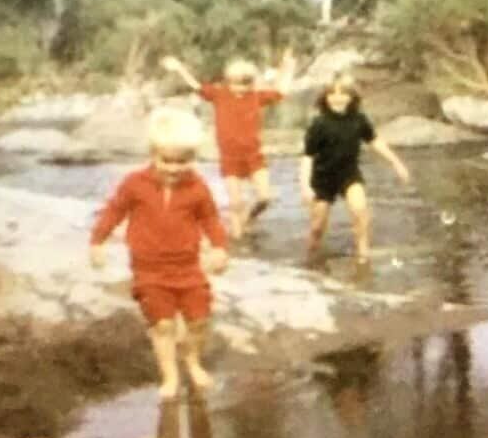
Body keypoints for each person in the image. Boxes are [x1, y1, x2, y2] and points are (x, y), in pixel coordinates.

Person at [89, 107, 228, 400]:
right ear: (153, 153)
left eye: (183, 161)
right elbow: (114, 210)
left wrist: (219, 247)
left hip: (188, 267)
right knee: (163, 324)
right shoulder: (134, 184)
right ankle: (170, 375)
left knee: (199, 320)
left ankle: (192, 361)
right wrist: (98, 241)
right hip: (148, 269)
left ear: (193, 158)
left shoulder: (197, 186)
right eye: (167, 160)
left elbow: (210, 219)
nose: (175, 168)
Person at [162, 50, 296, 240]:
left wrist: (287, 67)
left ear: (251, 83)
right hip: (230, 158)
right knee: (235, 203)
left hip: (254, 156)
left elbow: (282, 91)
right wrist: (179, 68)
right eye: (235, 83)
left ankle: (249, 218)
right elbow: (196, 86)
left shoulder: (256, 97)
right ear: (228, 81)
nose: (240, 88)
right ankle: (238, 240)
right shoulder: (219, 95)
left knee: (265, 198)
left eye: (245, 83)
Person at [299, 73, 410, 263]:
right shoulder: (319, 124)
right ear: (325, 97)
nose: (338, 97)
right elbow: (307, 157)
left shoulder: (359, 120)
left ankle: (362, 255)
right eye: (332, 93)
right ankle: (310, 260)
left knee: (360, 211)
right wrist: (305, 186)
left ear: (351, 97)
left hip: (349, 174)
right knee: (317, 227)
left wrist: (396, 163)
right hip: (322, 178)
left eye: (343, 93)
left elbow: (375, 142)